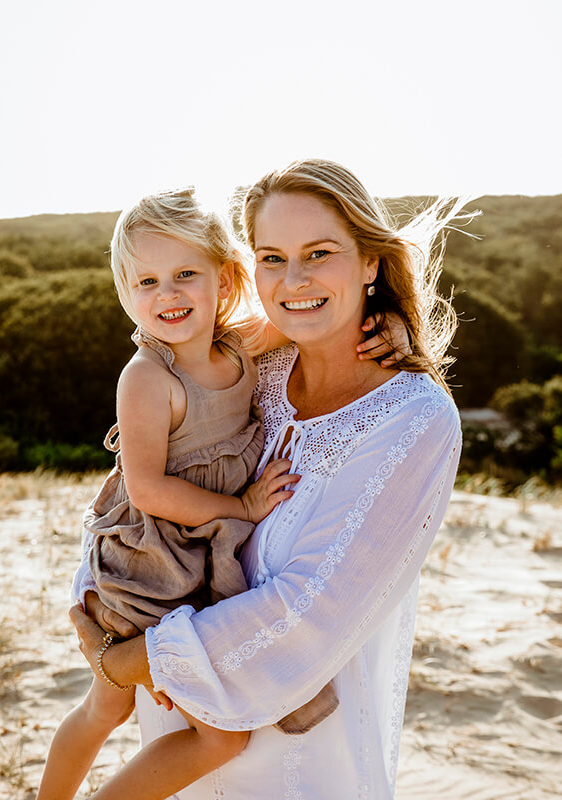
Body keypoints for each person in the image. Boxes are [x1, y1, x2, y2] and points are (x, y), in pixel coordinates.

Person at [70, 159, 464, 800]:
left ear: (370, 260)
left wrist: (123, 659)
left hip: (297, 768)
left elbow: (305, 618)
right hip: (176, 732)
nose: (293, 279)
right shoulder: (259, 369)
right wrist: (95, 598)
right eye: (272, 258)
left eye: (320, 253)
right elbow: (144, 487)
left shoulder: (414, 420)